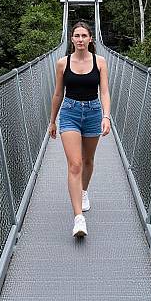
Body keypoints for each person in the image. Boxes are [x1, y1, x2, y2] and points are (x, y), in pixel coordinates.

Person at [48, 21, 111, 237]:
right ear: (72, 39)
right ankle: (78, 219)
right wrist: (52, 121)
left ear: (91, 39)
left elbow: (104, 92)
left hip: (93, 112)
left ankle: (83, 192)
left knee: (87, 161)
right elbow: (57, 94)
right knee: (75, 164)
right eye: (77, 35)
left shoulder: (100, 62)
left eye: (84, 35)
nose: (81, 39)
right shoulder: (62, 63)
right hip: (69, 112)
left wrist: (106, 116)